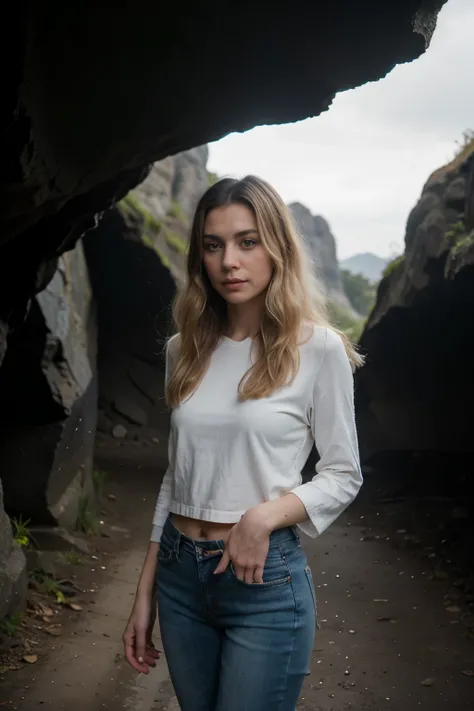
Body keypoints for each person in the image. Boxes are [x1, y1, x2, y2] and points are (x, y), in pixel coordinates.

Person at [122, 175, 363, 711]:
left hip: (264, 582)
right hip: (180, 580)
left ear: (276, 247)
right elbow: (177, 475)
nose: (229, 260)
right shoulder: (183, 350)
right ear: (200, 258)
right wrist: (146, 592)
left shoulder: (319, 350)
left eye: (247, 241)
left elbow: (344, 473)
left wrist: (263, 517)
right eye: (214, 245)